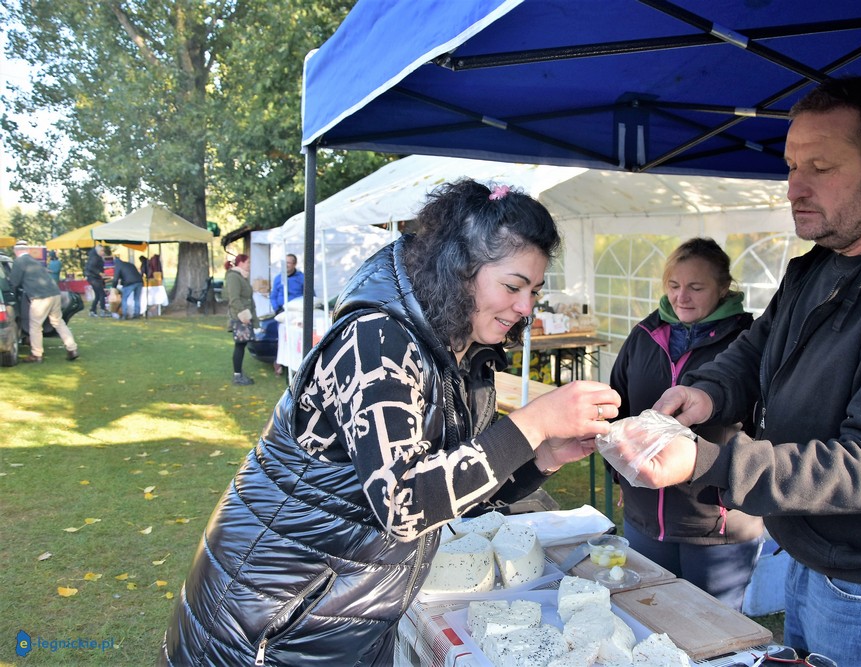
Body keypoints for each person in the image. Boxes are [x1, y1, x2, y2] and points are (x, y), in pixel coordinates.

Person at [606, 76, 861, 665]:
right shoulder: (817, 266)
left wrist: (711, 462)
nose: (795, 187)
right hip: (809, 549)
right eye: (791, 166)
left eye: (820, 167)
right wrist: (707, 394)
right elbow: (756, 351)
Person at [159, 179, 622, 666]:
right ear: (458, 271)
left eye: (533, 290)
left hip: (343, 614)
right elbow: (404, 504)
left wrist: (539, 457)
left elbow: (453, 493)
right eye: (512, 286)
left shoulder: (458, 349)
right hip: (269, 624)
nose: (526, 307)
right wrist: (532, 423)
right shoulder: (376, 343)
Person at [608, 237, 762, 611]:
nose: (682, 297)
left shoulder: (750, 341)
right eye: (674, 286)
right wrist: (621, 477)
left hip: (716, 526)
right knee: (648, 625)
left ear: (723, 288)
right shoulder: (644, 336)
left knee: (713, 634)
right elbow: (619, 409)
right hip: (644, 518)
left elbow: (765, 430)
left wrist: (736, 494)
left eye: (696, 287)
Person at [10, 241, 79, 362]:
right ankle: (72, 349)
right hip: (55, 293)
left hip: (40, 297)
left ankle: (37, 355)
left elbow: (13, 282)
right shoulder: (34, 261)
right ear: (27, 251)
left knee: (35, 326)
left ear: (16, 251)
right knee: (58, 322)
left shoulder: (19, 261)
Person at [223, 253, 258, 386]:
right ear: (241, 263)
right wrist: (245, 316)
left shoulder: (241, 276)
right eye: (248, 262)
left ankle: (239, 373)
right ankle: (237, 376)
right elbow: (234, 299)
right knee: (239, 346)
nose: (249, 265)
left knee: (241, 346)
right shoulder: (233, 277)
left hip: (244, 317)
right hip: (240, 318)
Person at [84, 243, 108, 317]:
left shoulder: (96, 257)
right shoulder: (95, 258)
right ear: (97, 251)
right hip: (94, 278)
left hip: (94, 277)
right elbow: (91, 267)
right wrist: (99, 273)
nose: (103, 252)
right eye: (102, 251)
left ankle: (92, 310)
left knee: (98, 295)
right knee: (101, 293)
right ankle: (102, 310)